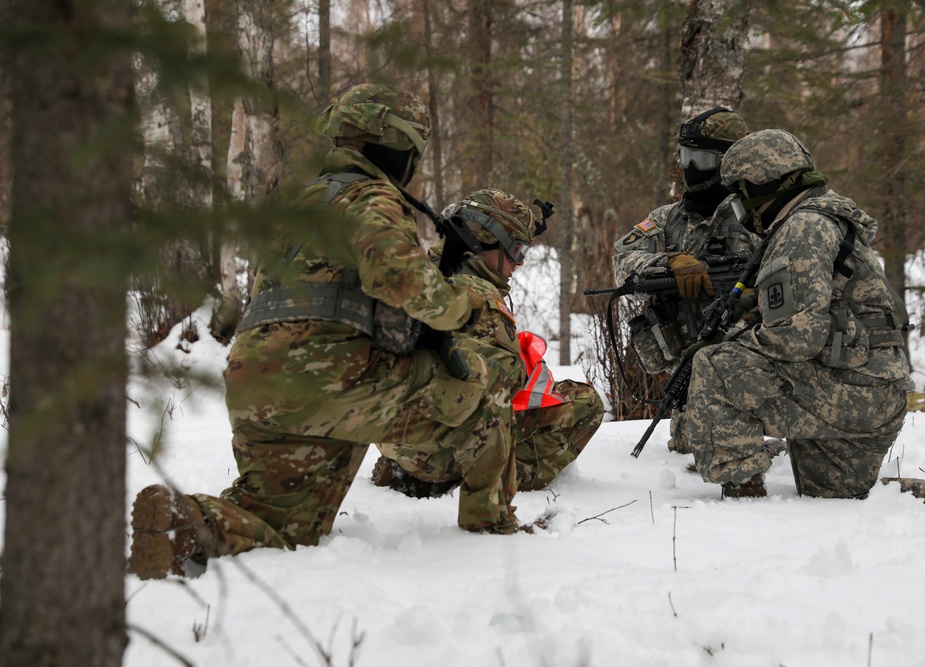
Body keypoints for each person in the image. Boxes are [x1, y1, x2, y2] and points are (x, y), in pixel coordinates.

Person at [128, 83, 523, 580]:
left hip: (257, 388)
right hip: (339, 382)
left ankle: (186, 524)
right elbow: (403, 281)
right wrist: (461, 309)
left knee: (283, 523)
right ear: (398, 147)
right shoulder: (373, 197)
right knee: (486, 383)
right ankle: (493, 529)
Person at [685, 128, 914, 499]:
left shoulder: (802, 229)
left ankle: (744, 493)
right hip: (873, 393)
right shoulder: (823, 217)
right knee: (832, 496)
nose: (743, 207)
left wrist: (729, 343)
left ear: (762, 184)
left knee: (715, 366)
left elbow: (795, 338)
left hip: (851, 393)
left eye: (742, 193)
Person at [372, 188, 604, 497]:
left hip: (394, 437)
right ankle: (475, 483)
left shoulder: (419, 274)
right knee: (586, 403)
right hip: (441, 450)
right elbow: (497, 387)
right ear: (485, 242)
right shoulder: (476, 295)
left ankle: (407, 465)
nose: (518, 264)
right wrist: (522, 366)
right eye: (516, 251)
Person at [612, 107, 756, 454]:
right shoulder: (666, 220)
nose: (690, 168)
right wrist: (669, 262)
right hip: (690, 384)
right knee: (691, 448)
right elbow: (622, 262)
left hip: (755, 372)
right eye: (685, 156)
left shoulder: (756, 218)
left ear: (729, 163)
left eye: (701, 159)